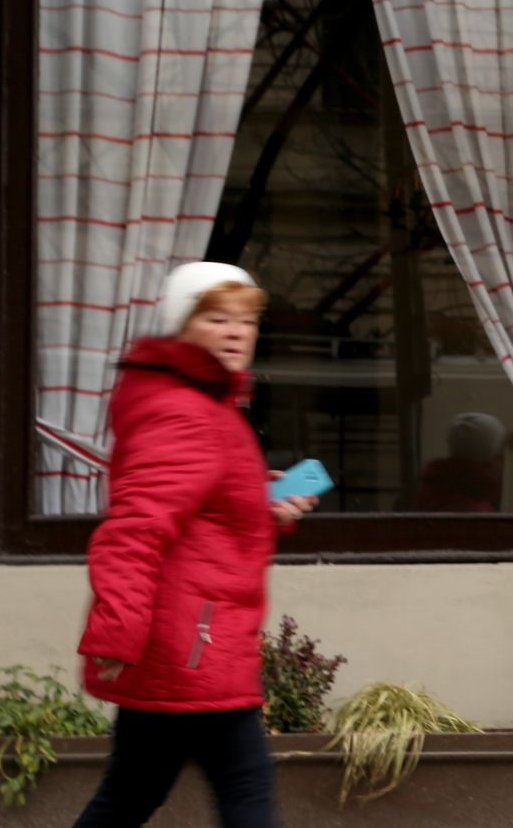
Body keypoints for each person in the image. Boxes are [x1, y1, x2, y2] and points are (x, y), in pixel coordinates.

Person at [72, 262, 316, 828]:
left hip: (187, 642)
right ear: (182, 327)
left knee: (129, 795)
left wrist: (262, 499)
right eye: (215, 317)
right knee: (245, 789)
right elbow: (134, 526)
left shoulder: (202, 406)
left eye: (246, 320)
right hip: (194, 646)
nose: (236, 332)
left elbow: (195, 509)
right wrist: (115, 629)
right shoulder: (187, 412)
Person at [411, 412, 508, 512]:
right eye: (500, 454)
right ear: (489, 461)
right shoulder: (472, 510)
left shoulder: (430, 490)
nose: (503, 462)